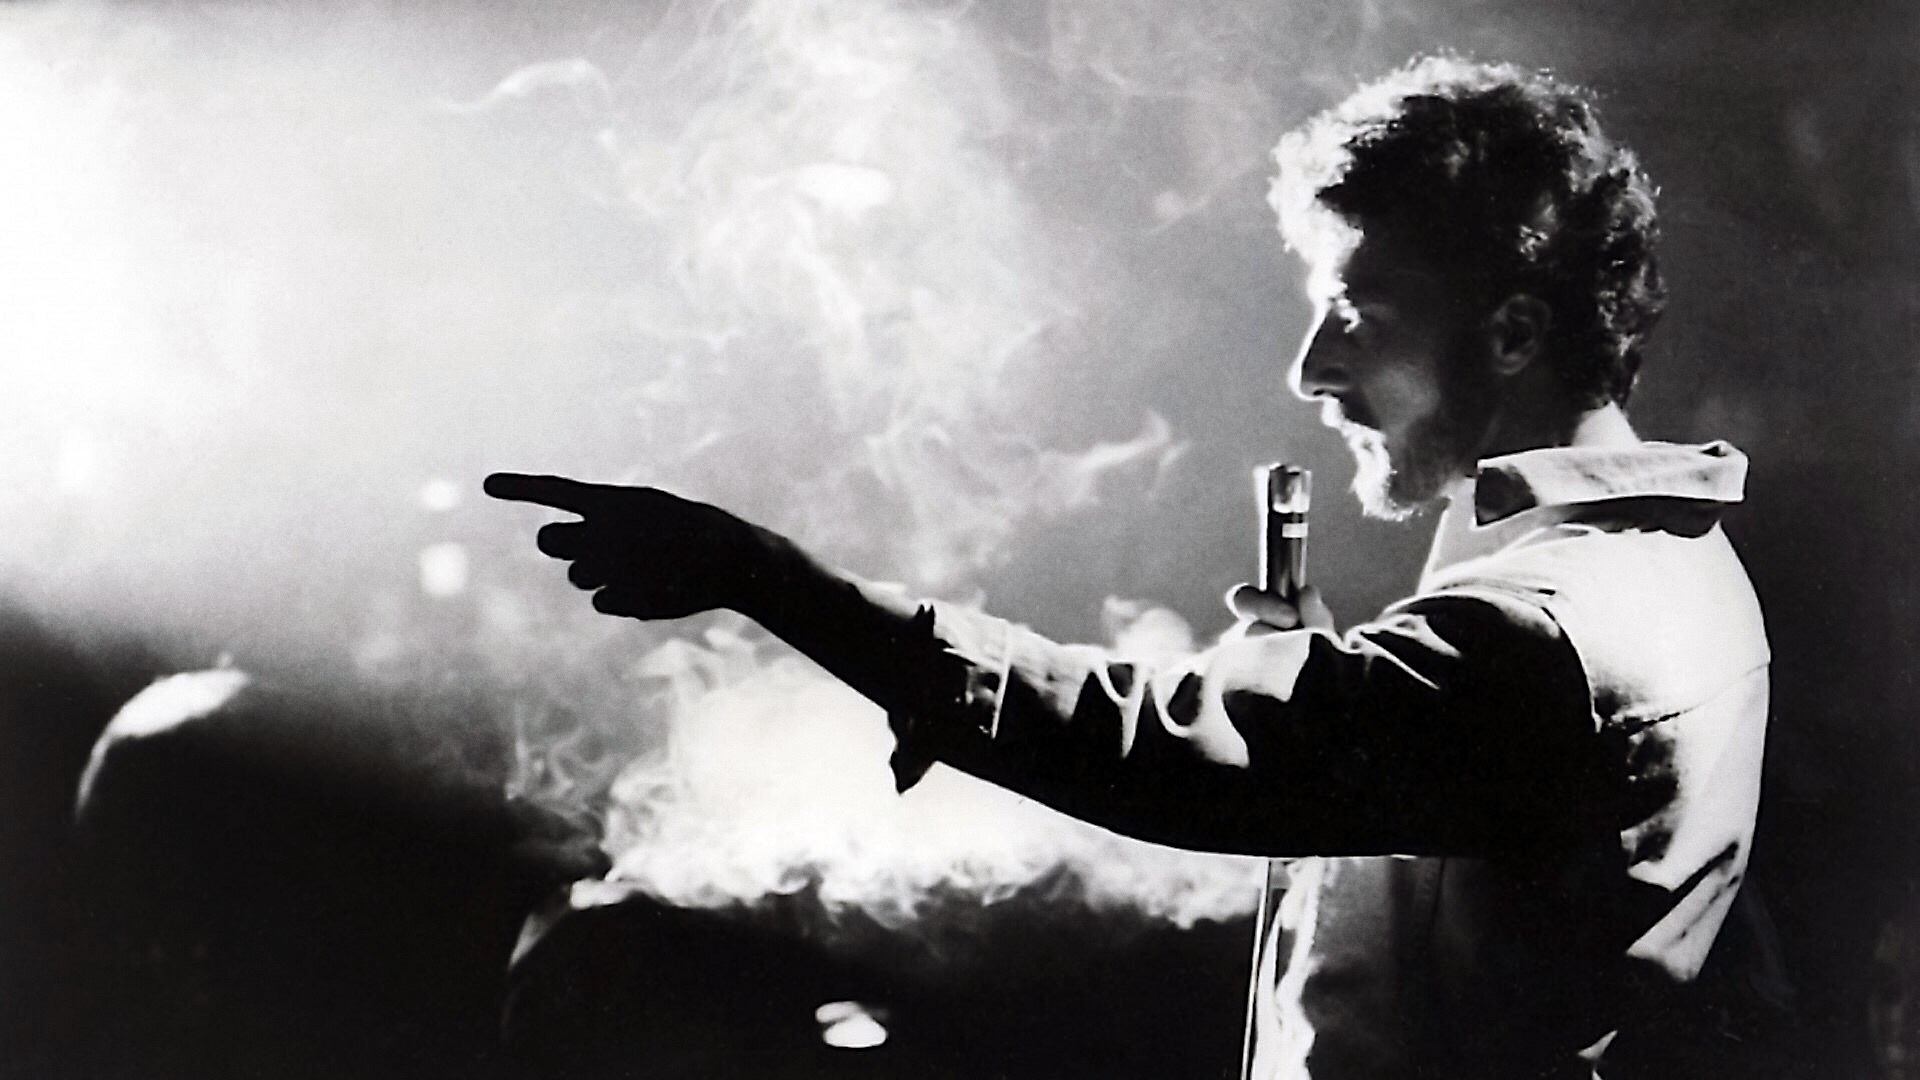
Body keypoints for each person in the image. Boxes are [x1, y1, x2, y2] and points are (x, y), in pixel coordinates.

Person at [488, 55, 1769, 1079]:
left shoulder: (1548, 626)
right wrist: (1321, 678)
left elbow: (1169, 751)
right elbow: (1431, 801)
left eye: (1357, 317)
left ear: (1515, 331)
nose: (1311, 370)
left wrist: (762, 573)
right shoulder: (1656, 560)